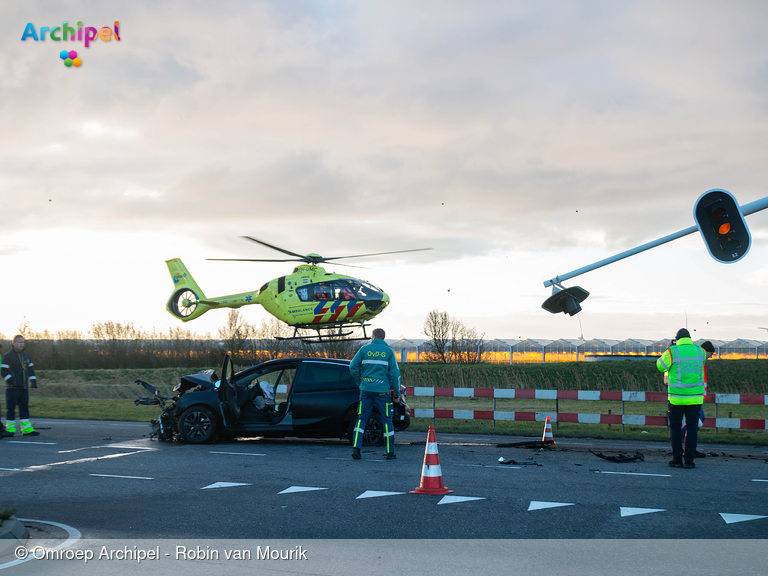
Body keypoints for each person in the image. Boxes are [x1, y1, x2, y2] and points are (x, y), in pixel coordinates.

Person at [657, 328, 706, 469]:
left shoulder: (672, 352)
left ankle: (677, 459)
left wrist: (668, 350)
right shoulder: (700, 351)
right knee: (692, 429)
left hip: (676, 399)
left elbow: (660, 366)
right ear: (690, 338)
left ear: (676, 340)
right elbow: (701, 364)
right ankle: (689, 461)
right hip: (695, 399)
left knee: (675, 428)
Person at [349, 328, 401, 460]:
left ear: (373, 336)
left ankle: (356, 449)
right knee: (387, 420)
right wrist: (397, 393)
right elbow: (395, 374)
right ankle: (390, 452)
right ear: (383, 338)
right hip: (382, 391)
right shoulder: (389, 352)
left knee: (362, 419)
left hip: (366, 390)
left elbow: (352, 366)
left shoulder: (364, 349)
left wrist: (359, 382)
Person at [682, 340, 715, 458]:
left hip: (696, 396)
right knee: (696, 421)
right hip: (694, 396)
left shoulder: (700, 361)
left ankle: (688, 447)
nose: (711, 356)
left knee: (696, 421)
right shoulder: (699, 362)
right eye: (711, 353)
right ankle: (682, 440)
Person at [2, 335, 40, 436]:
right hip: (12, 389)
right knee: (11, 410)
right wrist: (11, 381)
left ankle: (27, 430)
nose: (21, 344)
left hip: (24, 388)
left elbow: (31, 370)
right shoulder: (7, 356)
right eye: (19, 342)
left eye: (23, 342)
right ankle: (10, 431)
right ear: (13, 343)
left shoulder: (27, 356)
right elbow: (3, 371)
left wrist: (33, 383)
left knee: (24, 408)